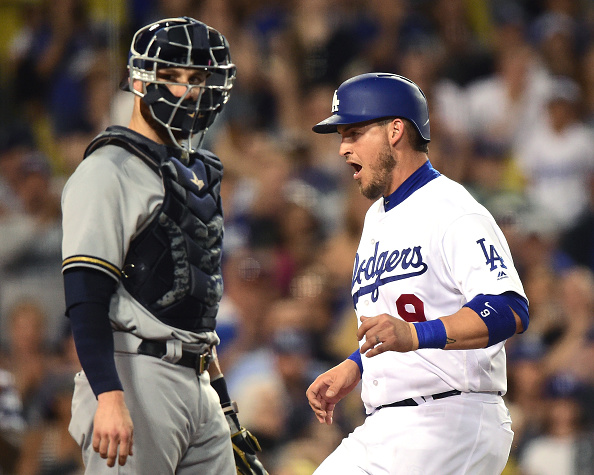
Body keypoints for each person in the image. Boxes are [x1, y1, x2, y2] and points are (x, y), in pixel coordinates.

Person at [60, 17, 267, 474]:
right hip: (133, 373)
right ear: (139, 80)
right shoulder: (108, 168)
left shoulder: (198, 172)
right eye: (172, 77)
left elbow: (193, 296)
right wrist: (108, 397)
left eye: (197, 79)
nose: (188, 90)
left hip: (197, 383)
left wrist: (224, 402)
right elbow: (84, 296)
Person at [306, 72, 530, 474]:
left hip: (450, 418)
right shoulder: (376, 217)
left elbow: (509, 309)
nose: (342, 148)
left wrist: (413, 335)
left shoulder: (453, 210)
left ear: (395, 131)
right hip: (387, 425)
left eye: (353, 132)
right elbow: (406, 316)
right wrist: (356, 364)